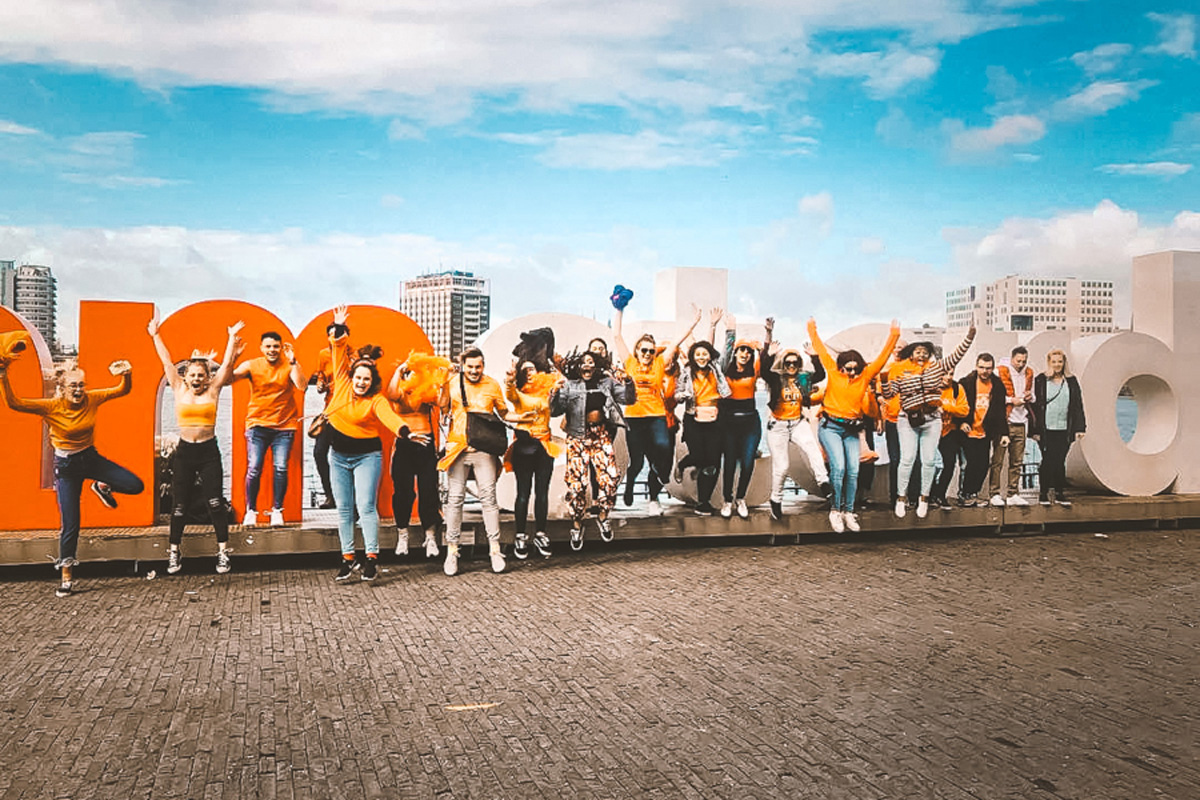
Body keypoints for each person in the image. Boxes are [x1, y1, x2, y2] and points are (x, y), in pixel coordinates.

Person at [0, 345, 144, 597]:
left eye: (82, 385)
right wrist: (3, 377)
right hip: (65, 468)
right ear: (63, 388)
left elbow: (123, 390)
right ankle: (66, 574)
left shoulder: (93, 398)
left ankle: (102, 485)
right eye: (74, 386)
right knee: (71, 523)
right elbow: (15, 403)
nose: (79, 390)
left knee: (135, 485)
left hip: (90, 459)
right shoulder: (50, 406)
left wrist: (127, 374)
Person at [148, 315, 243, 576]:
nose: (197, 379)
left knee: (214, 502)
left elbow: (225, 365)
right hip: (185, 453)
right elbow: (166, 361)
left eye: (201, 375)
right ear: (185, 376)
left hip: (208, 452)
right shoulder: (178, 388)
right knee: (180, 505)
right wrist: (156, 335)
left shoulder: (214, 390)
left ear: (207, 377)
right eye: (192, 375)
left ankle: (223, 552)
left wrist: (232, 339)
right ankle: (174, 552)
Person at [323, 307, 410, 582]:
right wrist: (338, 326)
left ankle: (371, 558)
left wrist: (404, 430)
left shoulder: (377, 400)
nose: (361, 382)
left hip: (367, 456)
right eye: (358, 378)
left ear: (372, 382)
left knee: (366, 506)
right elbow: (338, 348)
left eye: (366, 380)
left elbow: (389, 417)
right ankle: (348, 559)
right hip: (337, 456)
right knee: (345, 508)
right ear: (352, 377)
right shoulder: (342, 381)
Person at [808, 317, 900, 532]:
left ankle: (849, 512)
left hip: (853, 428)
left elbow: (883, 357)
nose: (851, 373)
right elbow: (820, 349)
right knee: (838, 468)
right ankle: (835, 511)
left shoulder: (865, 376)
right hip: (830, 426)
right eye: (847, 369)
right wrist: (812, 328)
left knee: (853, 470)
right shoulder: (832, 370)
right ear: (840, 367)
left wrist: (894, 335)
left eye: (855, 369)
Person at [612, 303, 700, 516]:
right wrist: (619, 309)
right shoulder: (630, 363)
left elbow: (677, 340)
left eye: (651, 351)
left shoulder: (660, 364)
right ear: (637, 351)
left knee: (662, 447)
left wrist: (693, 322)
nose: (648, 354)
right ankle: (631, 482)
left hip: (656, 416)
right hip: (634, 417)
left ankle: (659, 477)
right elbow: (616, 335)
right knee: (636, 461)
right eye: (644, 350)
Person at [882, 324, 975, 519]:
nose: (922, 355)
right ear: (911, 354)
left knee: (929, 460)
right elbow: (890, 394)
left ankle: (924, 498)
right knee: (907, 459)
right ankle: (901, 498)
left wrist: (969, 337)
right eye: (918, 351)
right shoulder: (901, 370)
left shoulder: (936, 368)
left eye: (925, 351)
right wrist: (883, 381)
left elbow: (957, 356)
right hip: (907, 419)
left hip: (932, 419)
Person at [438, 346, 514, 576]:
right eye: (470, 367)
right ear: (463, 365)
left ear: (484, 365)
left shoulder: (492, 385)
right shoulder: (452, 382)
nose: (474, 371)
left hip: (484, 450)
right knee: (455, 499)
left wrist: (526, 419)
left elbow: (504, 413)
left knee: (489, 498)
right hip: (457, 448)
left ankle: (495, 549)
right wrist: (443, 380)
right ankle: (452, 551)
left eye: (478, 366)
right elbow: (442, 408)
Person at [550, 349, 635, 548]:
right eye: (583, 362)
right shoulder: (569, 385)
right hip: (577, 438)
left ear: (595, 365)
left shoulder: (606, 382)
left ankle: (603, 515)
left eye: (590, 362)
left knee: (611, 477)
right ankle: (577, 524)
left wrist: (628, 381)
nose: (587, 365)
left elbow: (628, 399)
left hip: (600, 435)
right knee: (577, 485)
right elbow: (555, 411)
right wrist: (554, 392)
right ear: (577, 366)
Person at [232, 331, 304, 527]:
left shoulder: (289, 364)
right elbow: (228, 378)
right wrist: (234, 356)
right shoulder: (252, 365)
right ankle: (251, 511)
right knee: (254, 467)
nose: (272, 350)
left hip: (284, 426)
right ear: (261, 348)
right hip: (257, 425)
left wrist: (294, 362)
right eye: (268, 346)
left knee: (280, 467)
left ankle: (277, 511)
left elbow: (302, 385)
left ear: (281, 347)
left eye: (276, 346)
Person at [758, 320, 829, 520]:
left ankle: (824, 483)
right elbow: (764, 370)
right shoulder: (775, 378)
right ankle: (776, 499)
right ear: (783, 364)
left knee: (812, 448)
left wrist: (814, 357)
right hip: (778, 426)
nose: (791, 366)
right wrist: (767, 345)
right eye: (788, 363)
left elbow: (821, 375)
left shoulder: (803, 379)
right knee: (782, 466)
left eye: (794, 363)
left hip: (797, 422)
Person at [385, 352, 451, 559]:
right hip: (405, 444)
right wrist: (400, 369)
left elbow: (442, 404)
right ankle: (402, 534)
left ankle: (430, 537)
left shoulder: (426, 390)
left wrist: (444, 381)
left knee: (429, 492)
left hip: (426, 444)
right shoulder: (401, 390)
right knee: (403, 493)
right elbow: (392, 394)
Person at [504, 360, 563, 559]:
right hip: (524, 446)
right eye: (525, 370)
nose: (530, 372)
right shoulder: (519, 394)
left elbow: (556, 405)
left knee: (542, 492)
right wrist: (510, 380)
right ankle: (520, 535)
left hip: (544, 446)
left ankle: (540, 533)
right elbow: (510, 394)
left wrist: (557, 383)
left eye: (533, 369)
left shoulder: (547, 391)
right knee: (523, 492)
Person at [674, 335, 732, 516]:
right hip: (693, 419)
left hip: (715, 420)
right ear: (693, 356)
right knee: (699, 456)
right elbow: (676, 393)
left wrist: (730, 331)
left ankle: (703, 502)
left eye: (704, 354)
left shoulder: (717, 369)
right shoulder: (686, 372)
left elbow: (728, 352)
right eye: (697, 354)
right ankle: (683, 464)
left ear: (710, 356)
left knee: (712, 463)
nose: (701, 357)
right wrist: (681, 396)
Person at [718, 315, 764, 519]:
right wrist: (731, 332)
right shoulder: (724, 370)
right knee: (729, 463)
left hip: (750, 423)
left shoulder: (754, 370)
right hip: (729, 423)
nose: (745, 353)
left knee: (747, 462)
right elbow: (725, 352)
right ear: (735, 353)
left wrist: (768, 336)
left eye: (748, 351)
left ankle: (741, 498)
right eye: (741, 350)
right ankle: (727, 500)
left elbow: (768, 357)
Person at [1031, 349, 1086, 508]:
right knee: (1047, 460)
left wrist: (1080, 427)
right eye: (1054, 362)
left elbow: (1077, 406)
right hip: (1046, 429)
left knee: (1060, 460)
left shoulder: (1071, 381)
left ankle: (1060, 492)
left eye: (1060, 362)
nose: (1057, 365)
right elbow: (1034, 406)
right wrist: (1034, 430)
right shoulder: (1041, 380)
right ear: (1049, 362)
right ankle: (1043, 493)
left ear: (1064, 363)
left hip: (1064, 428)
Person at [956, 353, 1010, 507]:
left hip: (985, 431)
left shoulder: (998, 385)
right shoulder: (966, 383)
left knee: (983, 464)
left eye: (988, 368)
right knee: (968, 464)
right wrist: (960, 423)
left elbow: (1000, 411)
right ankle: (964, 494)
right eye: (981, 367)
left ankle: (974, 493)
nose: (984, 371)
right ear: (976, 366)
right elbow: (959, 405)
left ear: (992, 368)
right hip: (968, 431)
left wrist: (1004, 433)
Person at [990, 346, 1035, 506]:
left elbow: (1033, 396)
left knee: (1017, 461)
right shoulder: (1000, 372)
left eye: (1024, 361)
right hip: (1005, 422)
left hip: (1022, 421)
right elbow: (994, 398)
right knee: (998, 460)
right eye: (1018, 361)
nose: (1021, 364)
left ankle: (1013, 493)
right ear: (1011, 358)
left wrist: (1030, 396)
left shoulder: (1029, 373)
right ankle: (994, 493)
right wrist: (1011, 400)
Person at [308, 335, 348, 509]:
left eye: (338, 334)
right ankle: (330, 495)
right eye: (331, 334)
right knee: (319, 452)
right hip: (329, 411)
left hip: (347, 413)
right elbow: (321, 377)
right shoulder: (324, 355)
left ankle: (346, 497)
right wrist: (321, 385)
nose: (334, 338)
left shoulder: (351, 356)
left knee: (345, 455)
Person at [928, 374, 970, 510]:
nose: (948, 377)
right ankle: (927, 495)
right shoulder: (928, 387)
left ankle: (940, 494)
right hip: (929, 431)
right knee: (930, 465)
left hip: (949, 430)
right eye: (944, 374)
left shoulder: (957, 388)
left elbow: (964, 410)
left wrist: (945, 407)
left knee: (949, 463)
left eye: (951, 373)